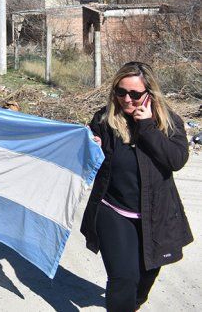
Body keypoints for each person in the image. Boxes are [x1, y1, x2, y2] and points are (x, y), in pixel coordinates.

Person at [81, 62, 192, 311]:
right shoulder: (103, 119)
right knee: (123, 280)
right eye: (121, 92)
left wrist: (147, 126)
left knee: (144, 280)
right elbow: (88, 162)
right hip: (113, 211)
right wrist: (91, 146)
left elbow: (176, 160)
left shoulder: (168, 121)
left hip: (156, 214)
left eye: (135, 94)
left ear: (149, 93)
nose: (127, 99)